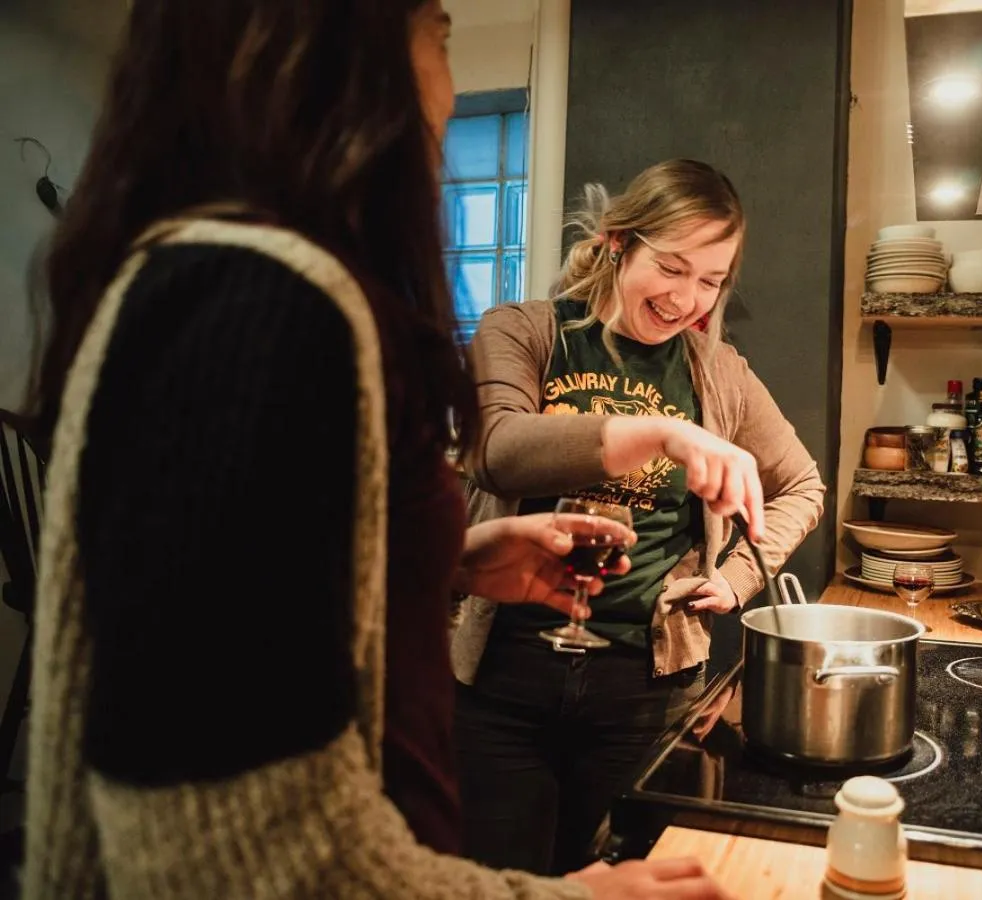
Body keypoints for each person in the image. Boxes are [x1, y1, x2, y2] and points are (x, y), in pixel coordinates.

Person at [19, 2, 730, 898]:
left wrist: (443, 562)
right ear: (328, 46)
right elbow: (241, 863)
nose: (452, 81)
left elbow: (257, 613)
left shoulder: (226, 280)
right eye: (436, 32)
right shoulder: (257, 309)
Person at [454, 158, 827, 875]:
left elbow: (802, 486)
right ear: (619, 242)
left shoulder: (720, 373)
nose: (689, 299)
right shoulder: (525, 332)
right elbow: (496, 451)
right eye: (674, 267)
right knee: (501, 879)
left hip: (647, 688)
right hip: (505, 675)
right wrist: (661, 434)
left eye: (712, 280)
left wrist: (740, 576)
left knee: (627, 877)